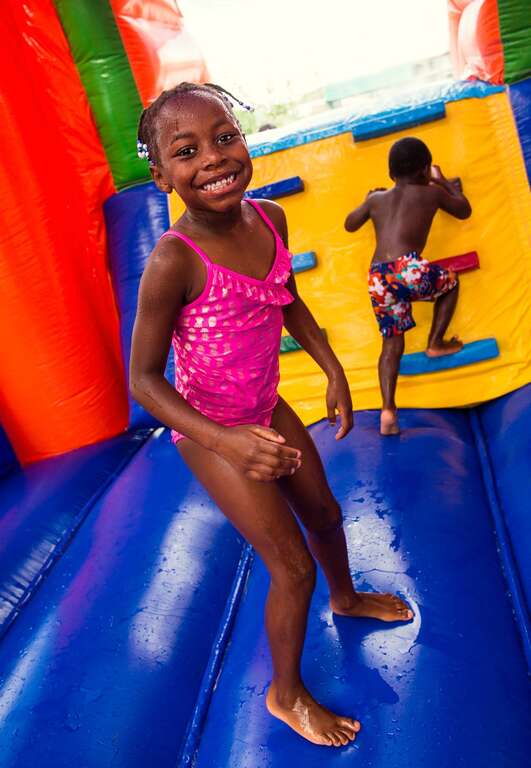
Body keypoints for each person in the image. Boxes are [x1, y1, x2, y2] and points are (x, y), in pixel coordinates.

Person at [130, 82, 413, 748]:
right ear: (161, 174)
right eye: (187, 150)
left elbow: (286, 301)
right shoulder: (174, 261)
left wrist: (333, 367)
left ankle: (345, 599)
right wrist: (226, 441)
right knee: (290, 567)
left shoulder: (270, 219)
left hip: (264, 404)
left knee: (324, 513)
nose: (214, 159)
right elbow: (142, 379)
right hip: (208, 427)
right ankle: (286, 695)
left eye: (224, 136)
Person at [344, 137, 472, 436]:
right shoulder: (430, 192)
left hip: (378, 276)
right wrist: (444, 183)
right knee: (450, 283)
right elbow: (464, 210)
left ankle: (388, 410)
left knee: (391, 342)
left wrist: (366, 200)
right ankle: (436, 343)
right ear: (425, 169)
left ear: (391, 173)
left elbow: (350, 224)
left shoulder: (377, 200)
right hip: (407, 268)